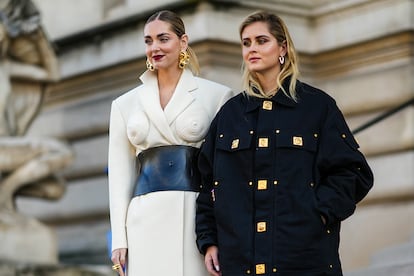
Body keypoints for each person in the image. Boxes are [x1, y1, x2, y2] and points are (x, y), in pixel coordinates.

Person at [195, 11, 374, 276]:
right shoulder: (229, 115)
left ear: (283, 47)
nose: (252, 49)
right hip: (240, 261)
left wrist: (317, 214)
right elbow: (207, 184)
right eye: (246, 43)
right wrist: (208, 241)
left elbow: (352, 173)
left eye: (261, 40)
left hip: (303, 259)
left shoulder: (317, 107)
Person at [108, 10, 233, 276]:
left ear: (183, 42)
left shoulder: (217, 96)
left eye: (163, 39)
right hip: (142, 219)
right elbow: (119, 177)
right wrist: (120, 239)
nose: (154, 47)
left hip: (194, 219)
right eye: (148, 41)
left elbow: (224, 176)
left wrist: (219, 234)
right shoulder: (124, 104)